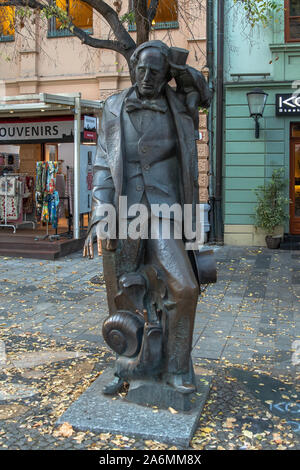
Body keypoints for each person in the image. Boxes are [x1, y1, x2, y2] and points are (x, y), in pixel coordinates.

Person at [83, 40, 211, 394]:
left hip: (166, 211)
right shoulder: (113, 106)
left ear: (167, 74)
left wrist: (179, 67)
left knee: (184, 287)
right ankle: (127, 368)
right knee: (124, 298)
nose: (146, 77)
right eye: (140, 69)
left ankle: (177, 368)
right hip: (124, 214)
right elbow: (103, 166)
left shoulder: (182, 107)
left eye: (155, 72)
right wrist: (100, 215)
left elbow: (203, 90)